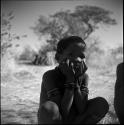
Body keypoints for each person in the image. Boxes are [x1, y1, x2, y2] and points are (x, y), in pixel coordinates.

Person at [37, 36, 109, 124]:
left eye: (81, 56)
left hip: (76, 120)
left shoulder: (84, 76)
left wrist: (76, 82)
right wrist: (70, 79)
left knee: (101, 104)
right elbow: (62, 113)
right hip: (56, 120)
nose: (77, 59)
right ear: (58, 57)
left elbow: (82, 109)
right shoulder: (49, 76)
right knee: (48, 108)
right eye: (71, 54)